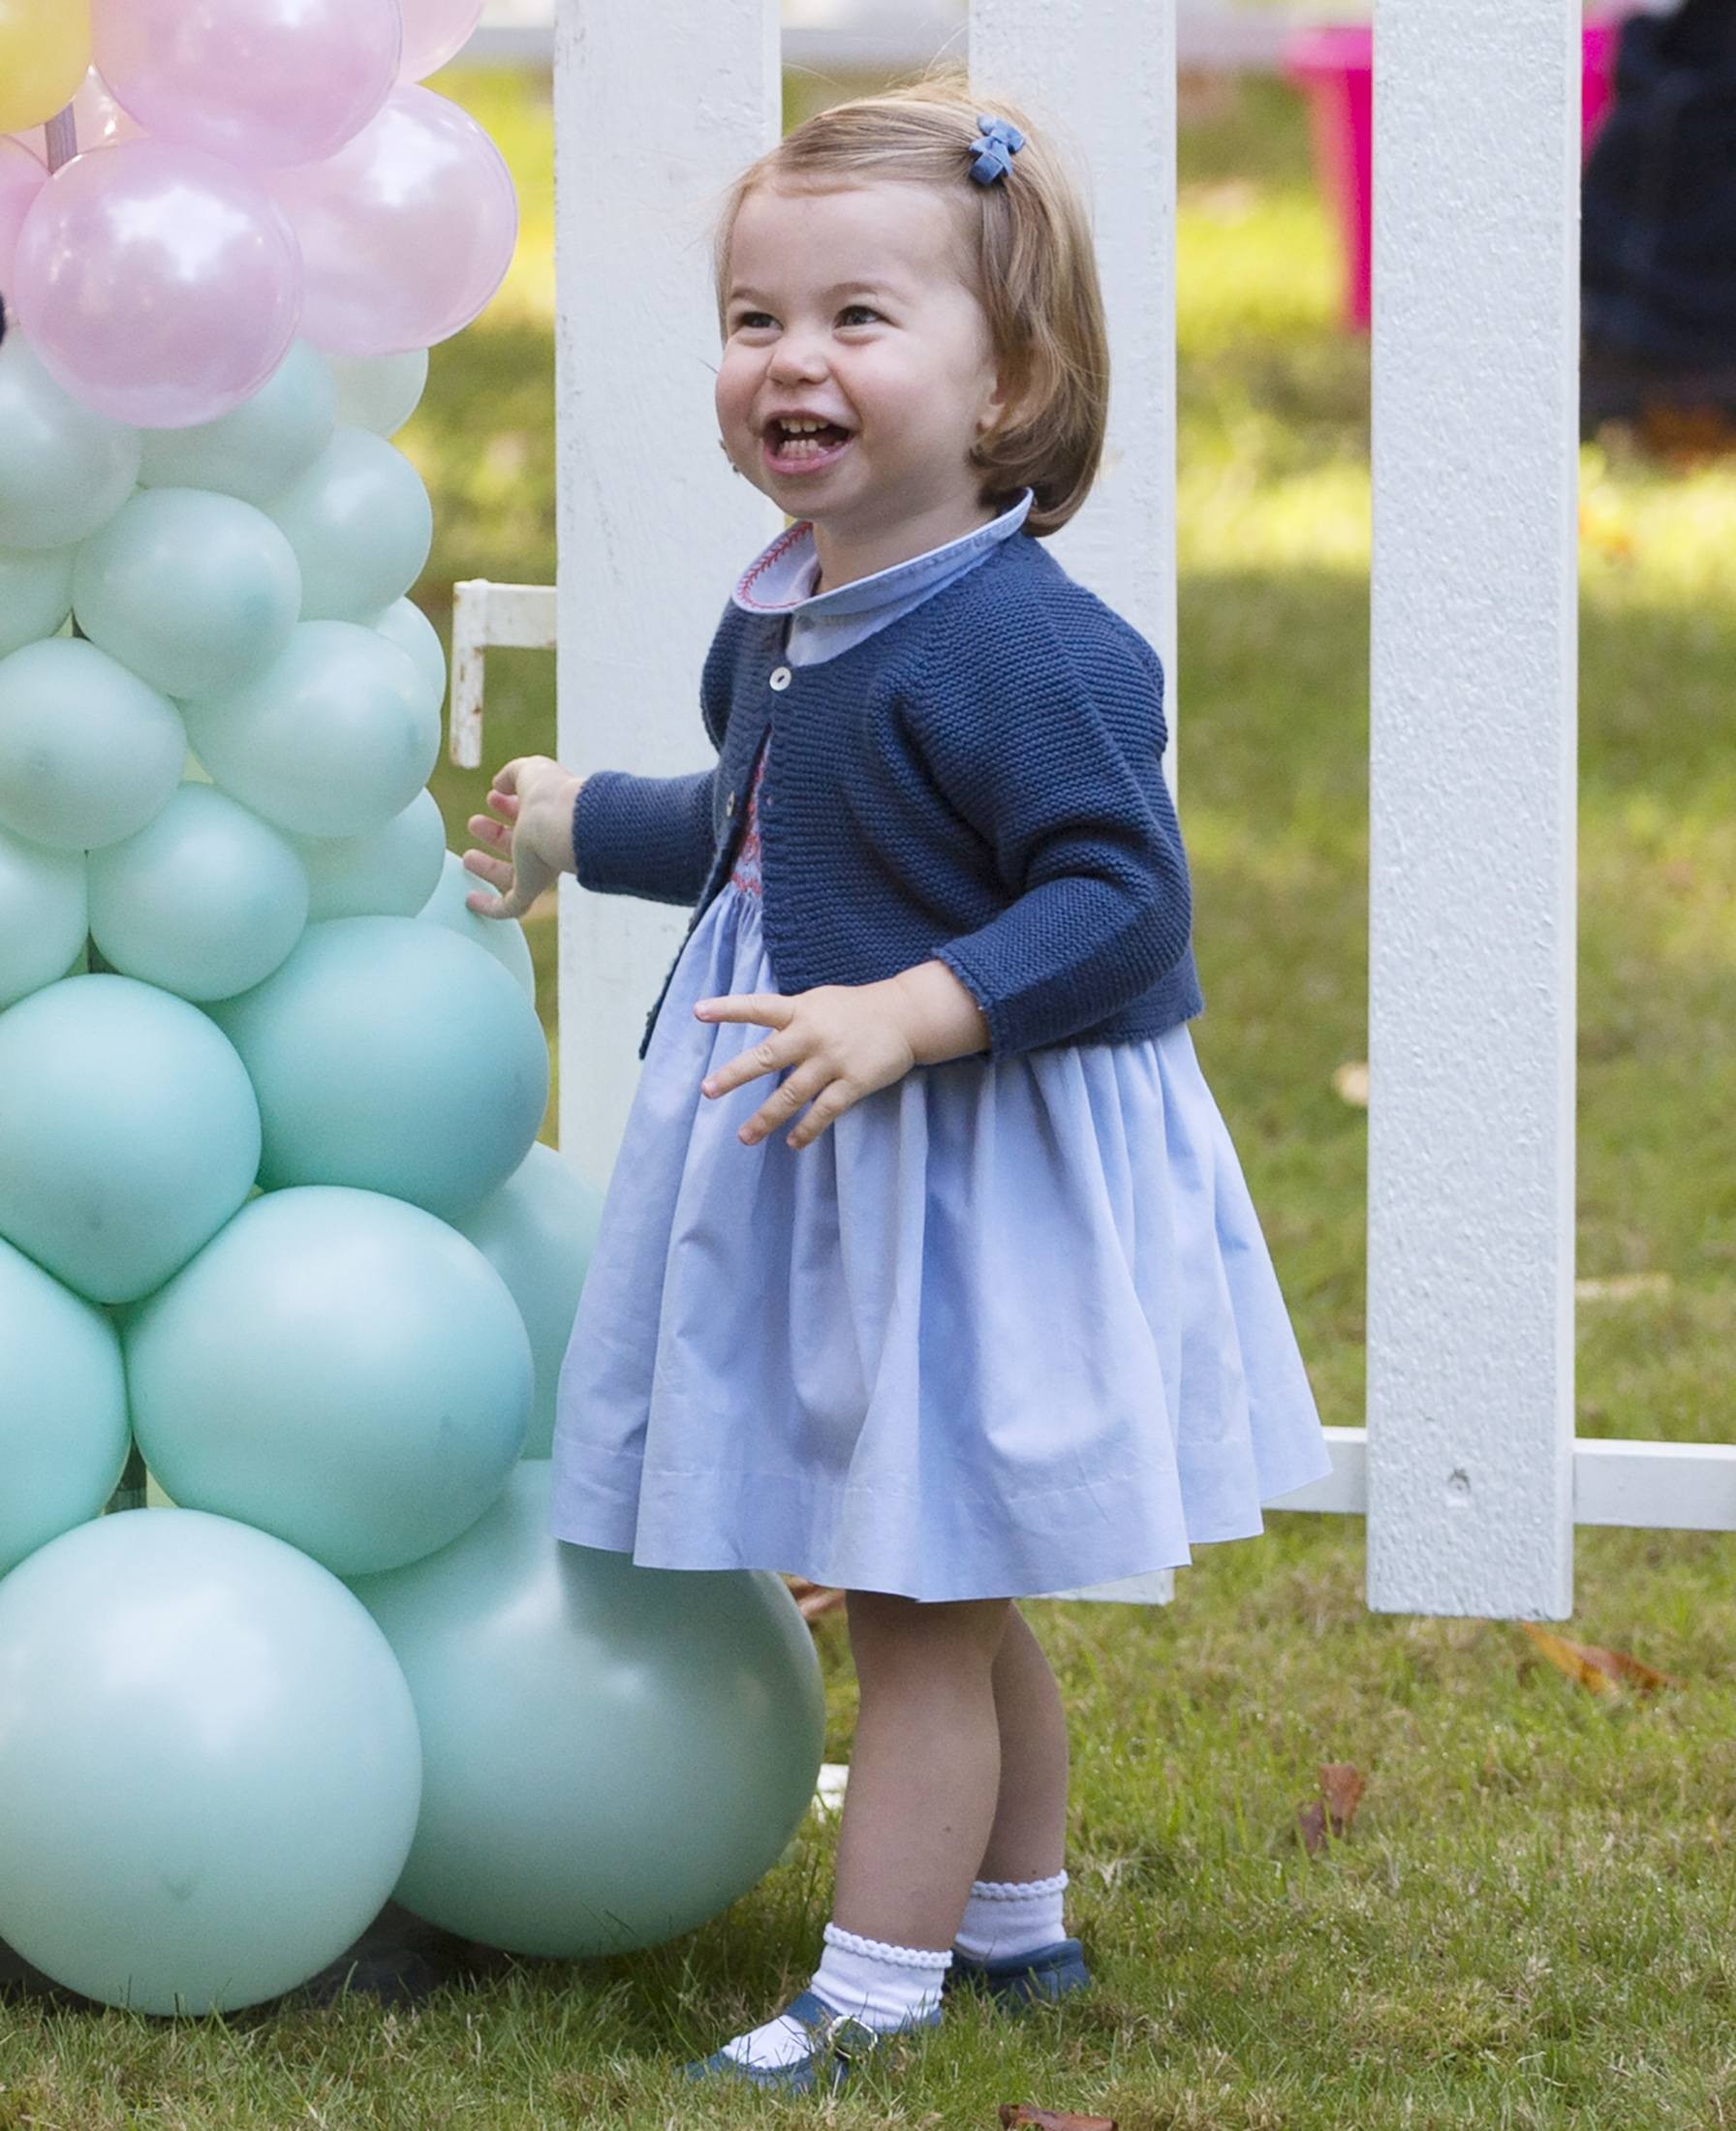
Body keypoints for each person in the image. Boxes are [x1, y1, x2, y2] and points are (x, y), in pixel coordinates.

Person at [460, 75, 1333, 2096]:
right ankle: (1011, 1920)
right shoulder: (787, 613)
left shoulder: (1029, 649)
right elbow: (774, 833)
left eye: (860, 318)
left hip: (961, 1166)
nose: (792, 362)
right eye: (757, 318)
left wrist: (915, 1013)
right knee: (944, 1570)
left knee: (920, 1593)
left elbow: (1117, 906)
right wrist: (595, 821)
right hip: (836, 1152)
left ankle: (875, 1984)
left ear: (1009, 373)